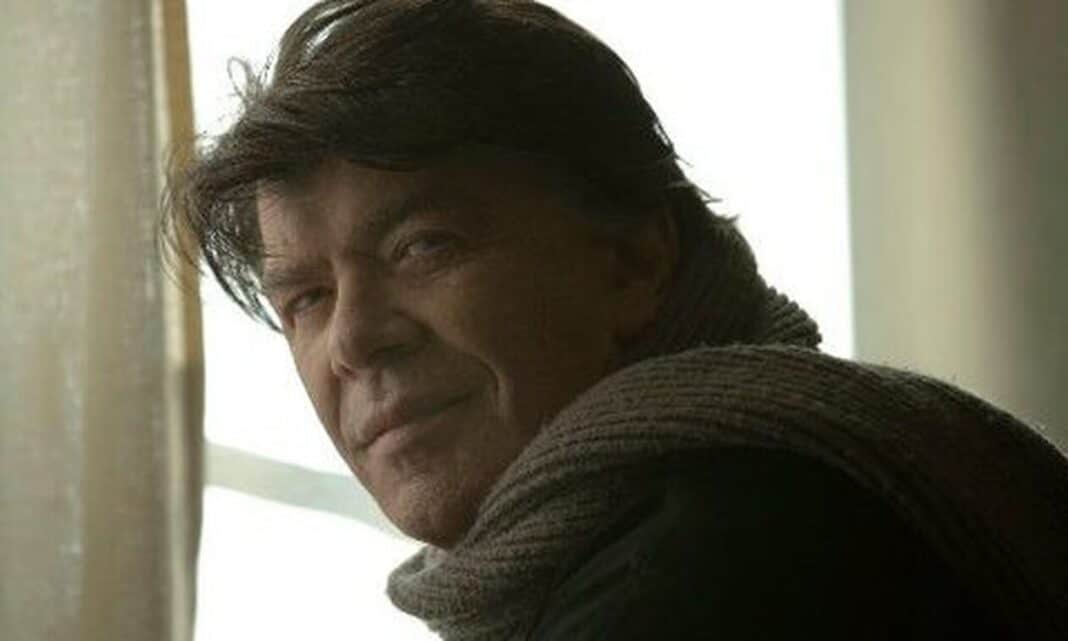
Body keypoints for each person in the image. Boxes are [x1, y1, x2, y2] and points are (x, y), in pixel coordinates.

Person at [161, 1, 1068, 639]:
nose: (355, 340)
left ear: (633, 261)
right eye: (307, 299)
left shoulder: (718, 564)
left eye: (423, 246)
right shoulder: (708, 515)